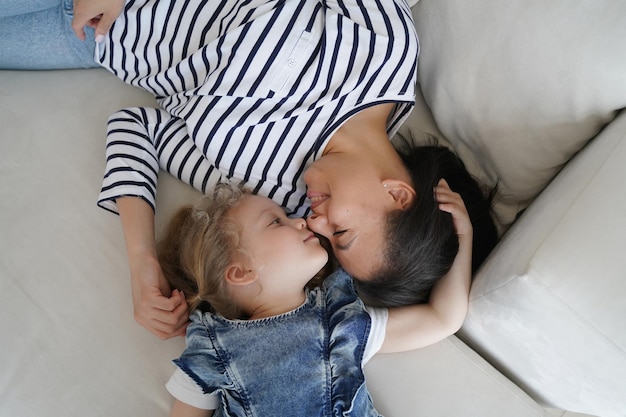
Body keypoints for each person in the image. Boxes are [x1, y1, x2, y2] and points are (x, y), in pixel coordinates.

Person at [0, 0, 498, 339]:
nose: (316, 224)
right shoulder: (383, 52)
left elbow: (138, 129)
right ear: (398, 195)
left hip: (92, 40)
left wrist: (142, 264)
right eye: (342, 232)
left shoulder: (272, 193)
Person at [158, 180, 473, 416]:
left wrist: (463, 237)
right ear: (241, 272)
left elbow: (442, 318)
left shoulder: (340, 319)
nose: (300, 220)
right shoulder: (213, 346)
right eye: (276, 221)